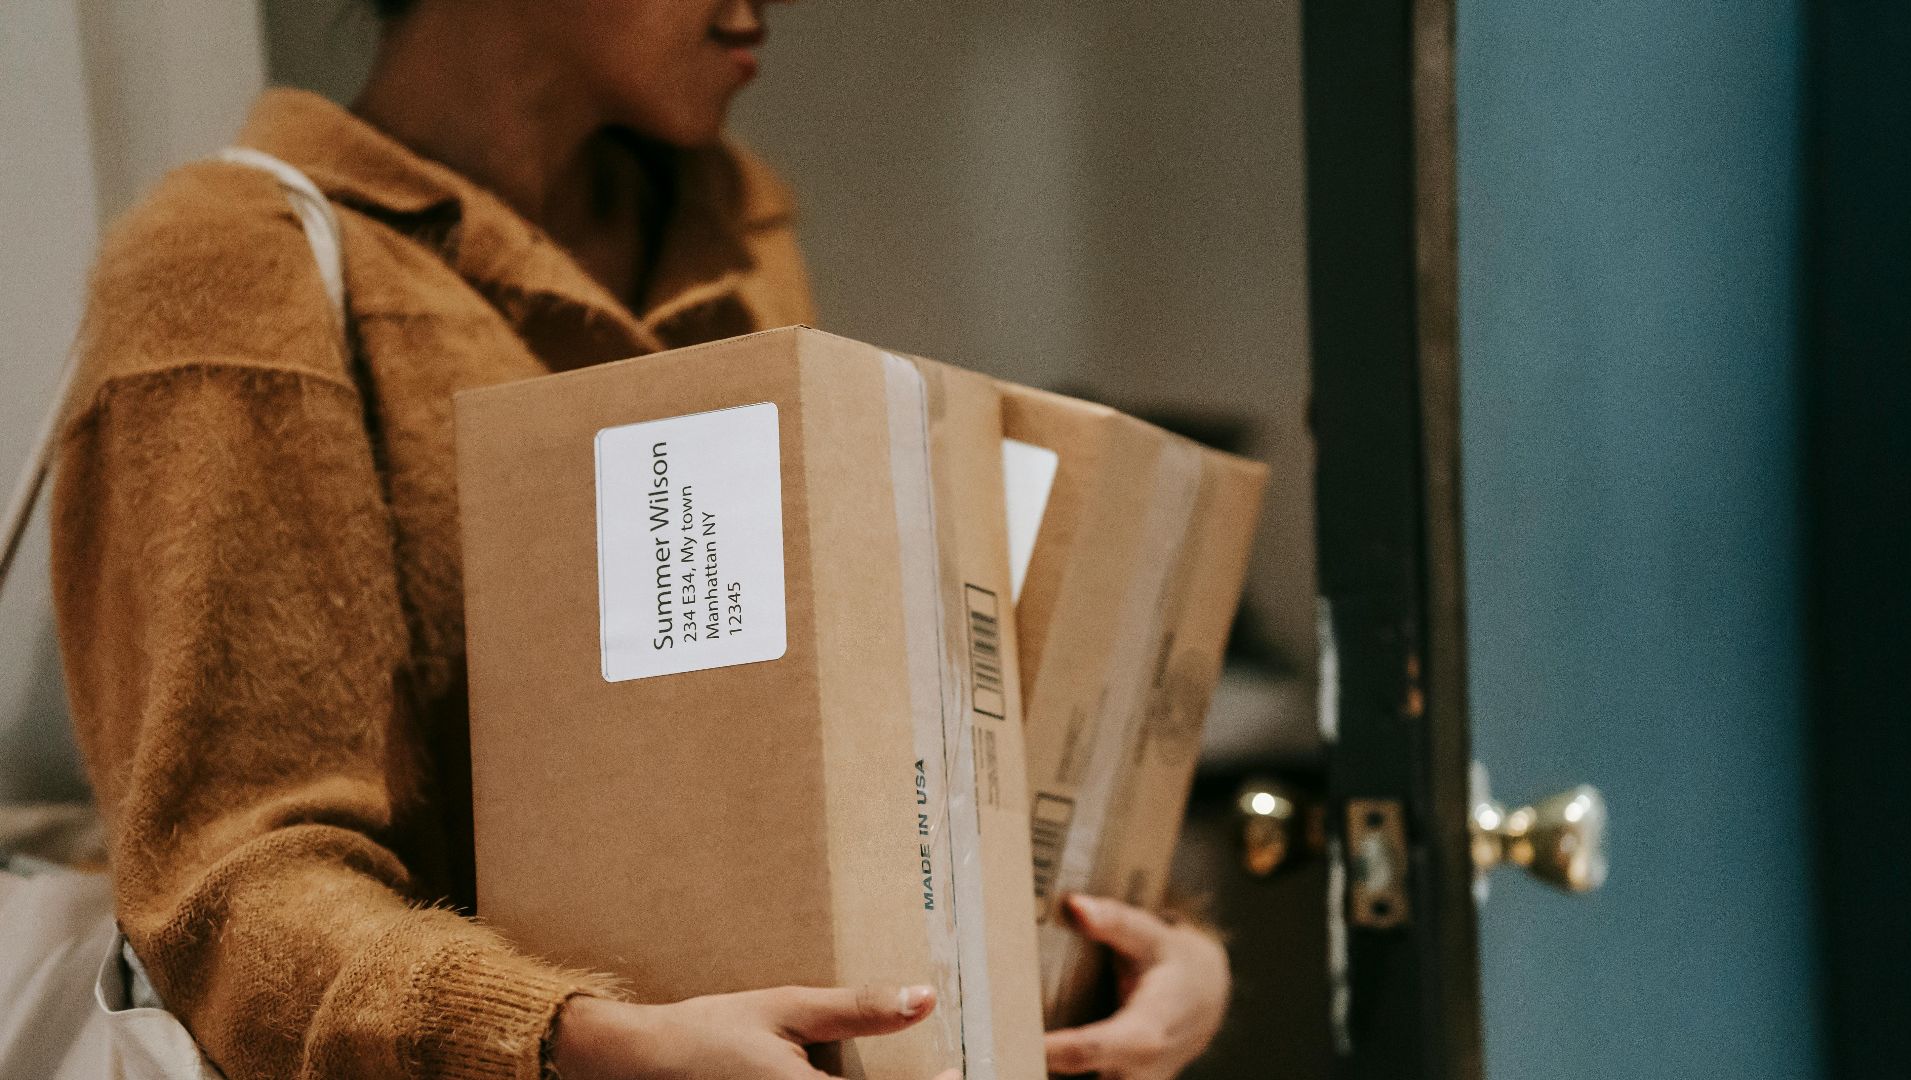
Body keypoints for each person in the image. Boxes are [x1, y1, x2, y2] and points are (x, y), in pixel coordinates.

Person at [53, 1, 1231, 1077]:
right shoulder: (230, 271)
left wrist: (1128, 947)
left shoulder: (728, 234)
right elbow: (229, 888)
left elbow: (849, 735)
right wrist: (572, 1039)